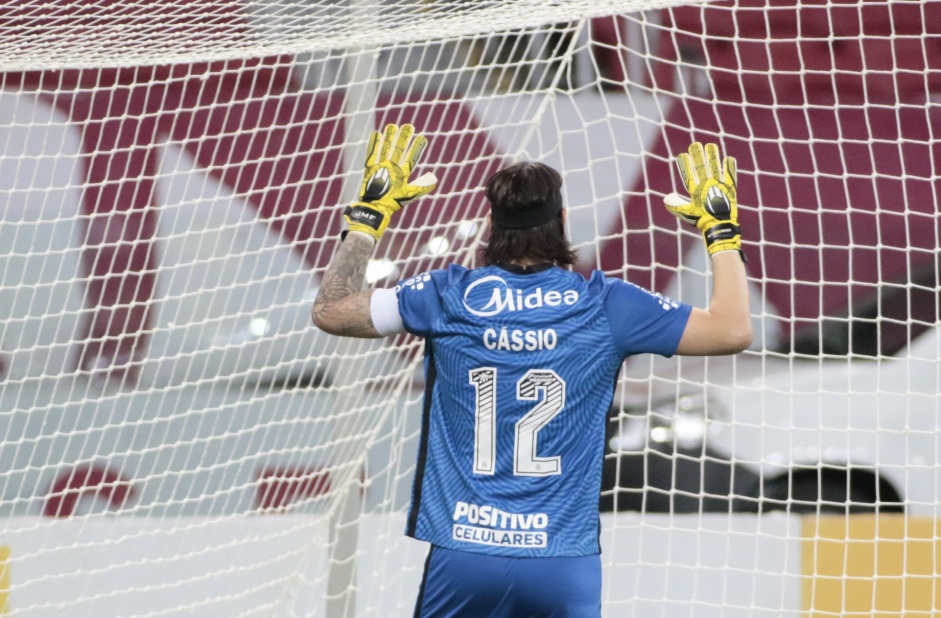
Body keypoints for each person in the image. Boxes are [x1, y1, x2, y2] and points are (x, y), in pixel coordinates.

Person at [312, 123, 752, 617]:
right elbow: (733, 330)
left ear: (493, 227)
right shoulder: (607, 306)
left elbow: (331, 311)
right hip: (561, 559)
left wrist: (368, 218)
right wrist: (721, 233)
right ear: (563, 219)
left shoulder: (446, 295)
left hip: (465, 551)